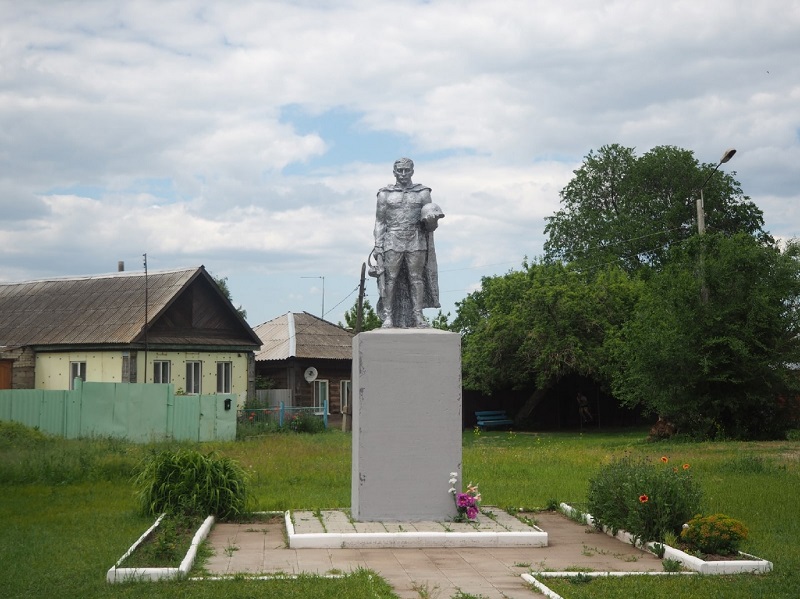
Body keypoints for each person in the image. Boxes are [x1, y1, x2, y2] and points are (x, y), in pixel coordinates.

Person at [370, 158, 444, 328]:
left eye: (406, 170)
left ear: (412, 171)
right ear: (394, 172)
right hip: (392, 240)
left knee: (416, 278)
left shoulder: (423, 193)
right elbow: (380, 221)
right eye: (400, 170)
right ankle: (388, 317)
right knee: (390, 279)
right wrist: (378, 244)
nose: (403, 174)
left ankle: (418, 316)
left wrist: (433, 221)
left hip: (416, 240)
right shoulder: (385, 194)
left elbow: (429, 224)